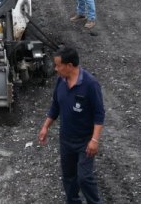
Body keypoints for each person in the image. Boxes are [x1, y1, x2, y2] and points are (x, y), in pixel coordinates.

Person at [38, 46, 105, 204]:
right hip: (66, 139)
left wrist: (94, 140)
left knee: (84, 177)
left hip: (85, 141)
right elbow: (56, 106)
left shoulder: (90, 84)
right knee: (69, 177)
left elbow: (99, 114)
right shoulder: (61, 81)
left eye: (58, 65)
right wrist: (45, 127)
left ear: (69, 65)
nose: (55, 69)